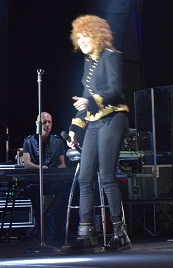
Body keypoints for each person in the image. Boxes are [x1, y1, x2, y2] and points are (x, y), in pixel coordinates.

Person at [66, 14, 131, 252]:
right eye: (79, 37)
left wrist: (90, 101)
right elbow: (86, 97)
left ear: (97, 36)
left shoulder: (111, 56)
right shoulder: (88, 62)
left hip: (113, 117)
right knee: (84, 177)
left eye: (86, 36)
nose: (82, 41)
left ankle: (120, 234)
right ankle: (86, 234)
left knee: (106, 177)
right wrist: (75, 128)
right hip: (94, 121)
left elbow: (114, 90)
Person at [22, 112, 68, 240]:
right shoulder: (28, 141)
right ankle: (42, 224)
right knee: (32, 190)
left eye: (49, 122)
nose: (47, 125)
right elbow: (26, 163)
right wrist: (40, 168)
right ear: (37, 123)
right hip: (36, 182)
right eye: (44, 122)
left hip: (53, 182)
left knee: (64, 190)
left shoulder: (58, 141)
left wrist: (59, 174)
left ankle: (52, 226)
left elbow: (62, 164)